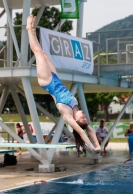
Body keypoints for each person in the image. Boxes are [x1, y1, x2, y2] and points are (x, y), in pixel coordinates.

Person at [26, 15, 101, 154]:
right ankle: (33, 32)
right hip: (56, 78)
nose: (84, 114)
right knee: (44, 53)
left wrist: (91, 148)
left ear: (76, 120)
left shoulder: (68, 115)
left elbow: (81, 131)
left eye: (83, 117)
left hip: (48, 82)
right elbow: (89, 128)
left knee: (39, 54)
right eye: (85, 116)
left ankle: (29, 30)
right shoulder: (75, 107)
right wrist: (98, 145)